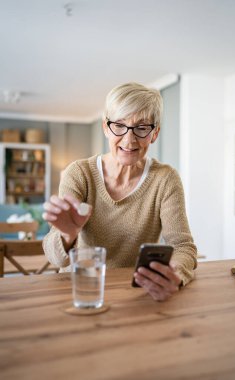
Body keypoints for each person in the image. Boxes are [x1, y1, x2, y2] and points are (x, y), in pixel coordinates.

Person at [43, 82, 197, 302]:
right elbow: (55, 258)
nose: (129, 139)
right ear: (106, 127)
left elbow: (183, 246)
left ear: (154, 133)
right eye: (119, 125)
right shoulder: (79, 173)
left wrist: (176, 274)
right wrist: (67, 235)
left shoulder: (165, 179)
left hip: (134, 294)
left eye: (142, 128)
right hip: (81, 290)